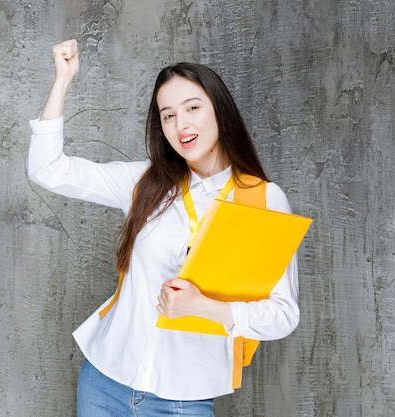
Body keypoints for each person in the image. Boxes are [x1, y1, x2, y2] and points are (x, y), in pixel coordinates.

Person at [27, 39, 299, 417]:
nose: (181, 124)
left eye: (192, 108)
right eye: (167, 115)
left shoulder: (263, 199)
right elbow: (47, 170)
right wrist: (62, 79)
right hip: (105, 382)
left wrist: (202, 307)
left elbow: (284, 315)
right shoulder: (145, 182)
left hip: (183, 400)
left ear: (220, 111)